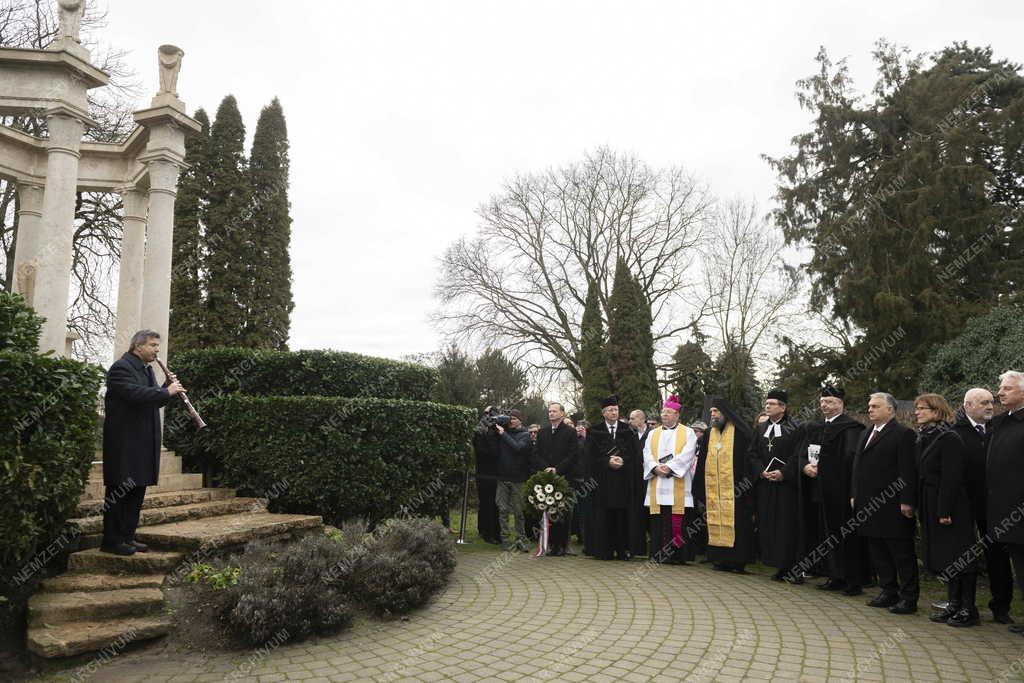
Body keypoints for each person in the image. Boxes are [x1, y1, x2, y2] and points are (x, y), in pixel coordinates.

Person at [102, 330, 184, 555]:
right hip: (124, 443)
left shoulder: (146, 369)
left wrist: (166, 388)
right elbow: (135, 394)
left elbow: (151, 399)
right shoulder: (121, 368)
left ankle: (127, 537)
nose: (157, 350)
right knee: (119, 491)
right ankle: (111, 541)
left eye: (158, 346)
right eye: (153, 345)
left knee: (136, 491)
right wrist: (165, 391)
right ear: (138, 346)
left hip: (142, 442)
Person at [912, 394, 979, 627]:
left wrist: (944, 510)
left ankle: (968, 609)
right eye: (917, 408)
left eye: (922, 408)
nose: (917, 412)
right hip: (931, 501)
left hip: (951, 505)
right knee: (946, 556)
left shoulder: (949, 437)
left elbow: (952, 477)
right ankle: (953, 604)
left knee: (960, 556)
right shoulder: (926, 437)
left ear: (937, 411)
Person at [797, 384, 869, 596]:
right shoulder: (815, 428)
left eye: (829, 402)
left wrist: (825, 468)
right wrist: (805, 466)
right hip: (818, 491)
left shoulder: (851, 428)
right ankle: (833, 575)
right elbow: (802, 453)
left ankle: (852, 580)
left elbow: (850, 459)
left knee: (845, 535)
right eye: (822, 402)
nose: (825, 406)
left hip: (840, 491)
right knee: (825, 534)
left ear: (840, 404)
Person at [852, 392, 919, 615]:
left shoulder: (904, 434)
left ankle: (908, 598)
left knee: (901, 553)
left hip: (893, 504)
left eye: (875, 406)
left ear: (890, 410)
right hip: (868, 504)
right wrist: (855, 494)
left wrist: (907, 501)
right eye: (869, 406)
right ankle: (888, 590)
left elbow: (908, 470)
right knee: (878, 551)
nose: (870, 409)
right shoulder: (866, 433)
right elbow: (857, 467)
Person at [953, 387, 1014, 623]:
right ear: (967, 405)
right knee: (961, 555)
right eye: (983, 403)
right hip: (964, 505)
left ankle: (1001, 607)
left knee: (998, 557)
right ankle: (961, 604)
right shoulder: (954, 432)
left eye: (991, 402)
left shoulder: (1000, 428)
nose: (990, 406)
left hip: (995, 505)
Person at [750, 389, 804, 582]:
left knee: (786, 527)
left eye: (772, 404)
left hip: (786, 486)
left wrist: (784, 473)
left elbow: (798, 454)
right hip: (766, 484)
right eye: (766, 403)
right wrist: (760, 471)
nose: (767, 406)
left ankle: (795, 569)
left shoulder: (796, 428)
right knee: (769, 525)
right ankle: (779, 565)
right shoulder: (761, 428)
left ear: (783, 407)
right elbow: (753, 453)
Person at [697, 396, 757, 573]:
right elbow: (702, 461)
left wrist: (747, 487)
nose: (713, 415)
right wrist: (699, 486)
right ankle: (720, 559)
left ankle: (738, 561)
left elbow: (748, 461)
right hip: (714, 489)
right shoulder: (709, 433)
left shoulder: (742, 433)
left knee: (739, 524)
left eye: (716, 412)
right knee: (715, 520)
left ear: (726, 413)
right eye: (711, 412)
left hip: (737, 490)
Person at [987, 370, 1024, 636]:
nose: (1000, 392)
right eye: (1001, 388)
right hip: (1002, 510)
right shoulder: (1000, 422)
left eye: (1007, 388)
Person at [586, 396, 645, 560]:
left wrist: (623, 461)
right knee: (604, 515)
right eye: (610, 410)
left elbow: (636, 455)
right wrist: (607, 461)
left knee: (622, 515)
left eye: (616, 410)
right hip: (603, 482)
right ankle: (604, 550)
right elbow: (589, 457)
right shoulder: (594, 431)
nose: (614, 412)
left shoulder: (628, 430)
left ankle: (623, 549)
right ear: (603, 413)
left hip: (622, 481)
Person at [642, 394, 698, 564]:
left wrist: (669, 467)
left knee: (678, 522)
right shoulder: (653, 433)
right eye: (663, 412)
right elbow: (646, 453)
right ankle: (658, 554)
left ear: (676, 415)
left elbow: (688, 454)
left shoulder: (688, 433)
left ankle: (678, 556)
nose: (664, 415)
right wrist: (654, 467)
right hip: (657, 483)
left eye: (668, 412)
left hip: (677, 483)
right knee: (658, 521)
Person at [531, 403, 581, 556]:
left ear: (562, 413)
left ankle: (562, 545)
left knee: (563, 512)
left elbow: (573, 455)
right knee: (548, 510)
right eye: (549, 411)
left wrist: (557, 469)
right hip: (546, 478)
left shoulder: (570, 432)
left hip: (564, 477)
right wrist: (546, 468)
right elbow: (536, 453)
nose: (551, 414)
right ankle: (550, 543)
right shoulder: (543, 432)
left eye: (554, 411)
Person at [493, 409, 532, 552]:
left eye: (515, 418)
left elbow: (517, 448)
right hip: (502, 478)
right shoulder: (501, 433)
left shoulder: (525, 435)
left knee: (518, 511)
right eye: (510, 419)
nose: (511, 421)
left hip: (518, 479)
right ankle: (504, 539)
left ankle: (521, 539)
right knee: (502, 510)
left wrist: (503, 434)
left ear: (520, 420)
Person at [473, 406, 502, 544]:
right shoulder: (479, 433)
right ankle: (487, 532)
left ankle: (494, 531)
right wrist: (490, 436)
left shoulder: (497, 432)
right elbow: (484, 453)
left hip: (495, 473)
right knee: (486, 503)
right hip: (484, 474)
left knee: (494, 504)